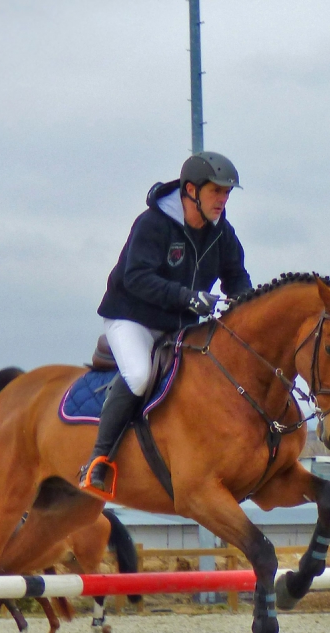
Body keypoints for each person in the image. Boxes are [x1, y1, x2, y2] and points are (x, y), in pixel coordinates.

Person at [81, 151, 254, 497]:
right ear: (191, 190)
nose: (223, 200)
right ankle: (98, 460)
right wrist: (189, 297)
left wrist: (248, 307)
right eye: (216, 192)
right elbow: (136, 278)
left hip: (179, 326)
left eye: (226, 193)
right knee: (141, 375)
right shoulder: (153, 224)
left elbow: (236, 277)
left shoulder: (221, 232)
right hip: (132, 318)